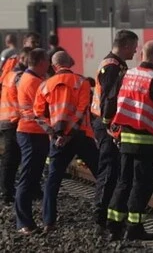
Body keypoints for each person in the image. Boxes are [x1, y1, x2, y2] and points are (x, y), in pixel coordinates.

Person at [106, 41, 153, 241]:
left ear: (141, 56)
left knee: (123, 182)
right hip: (149, 142)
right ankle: (134, 228)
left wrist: (108, 125)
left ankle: (113, 227)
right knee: (142, 185)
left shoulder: (126, 75)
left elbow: (110, 101)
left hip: (126, 139)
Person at [36, 51, 98, 233]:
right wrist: (70, 133)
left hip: (58, 140)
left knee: (52, 180)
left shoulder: (44, 85)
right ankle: (108, 216)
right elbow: (82, 110)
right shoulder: (82, 82)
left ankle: (48, 221)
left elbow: (38, 114)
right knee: (101, 173)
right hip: (81, 136)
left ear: (54, 66)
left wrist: (56, 134)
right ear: (68, 64)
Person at [91, 29, 139, 231]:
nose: (135, 52)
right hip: (106, 126)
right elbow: (108, 101)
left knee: (114, 170)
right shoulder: (112, 68)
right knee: (110, 170)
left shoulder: (113, 64)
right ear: (126, 45)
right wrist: (112, 127)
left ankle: (107, 213)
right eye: (134, 47)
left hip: (105, 124)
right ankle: (101, 214)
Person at [14, 48, 51, 234]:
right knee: (28, 177)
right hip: (31, 133)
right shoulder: (34, 82)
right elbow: (42, 109)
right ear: (40, 62)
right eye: (47, 61)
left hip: (33, 133)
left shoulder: (30, 79)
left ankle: (26, 221)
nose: (49, 65)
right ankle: (23, 222)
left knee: (32, 176)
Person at [0, 47, 30, 204]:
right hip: (13, 120)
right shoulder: (19, 76)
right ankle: (6, 193)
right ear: (23, 58)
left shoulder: (10, 74)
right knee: (12, 158)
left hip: (7, 119)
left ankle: (8, 190)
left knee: (12, 158)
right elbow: (24, 98)